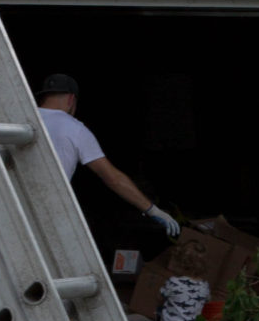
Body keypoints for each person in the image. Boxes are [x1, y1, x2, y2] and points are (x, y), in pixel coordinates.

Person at [34, 73, 180, 240]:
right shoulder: (75, 129)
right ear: (71, 100)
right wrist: (152, 210)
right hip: (46, 212)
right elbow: (113, 179)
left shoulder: (19, 120)